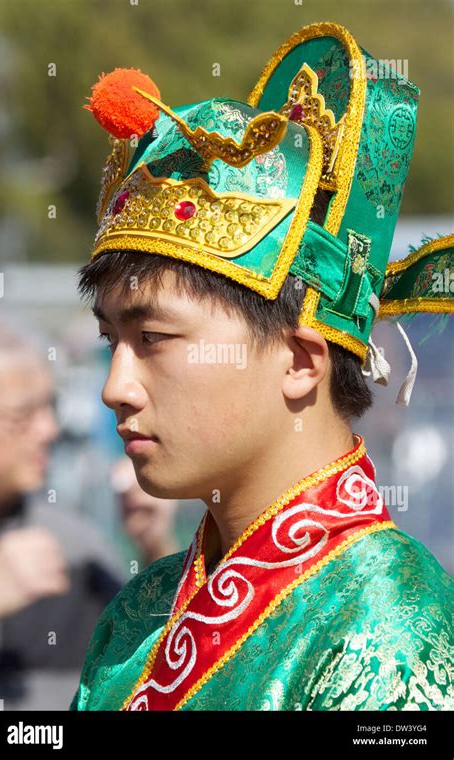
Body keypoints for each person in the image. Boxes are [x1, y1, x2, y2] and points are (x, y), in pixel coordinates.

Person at [70, 21, 453, 711]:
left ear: (301, 362)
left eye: (153, 338)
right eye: (110, 341)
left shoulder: (390, 628)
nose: (114, 390)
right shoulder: (140, 613)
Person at [0, 320, 127, 710]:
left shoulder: (74, 545)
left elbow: (153, 666)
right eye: (24, 413)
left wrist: (156, 548)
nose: (48, 429)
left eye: (51, 407)